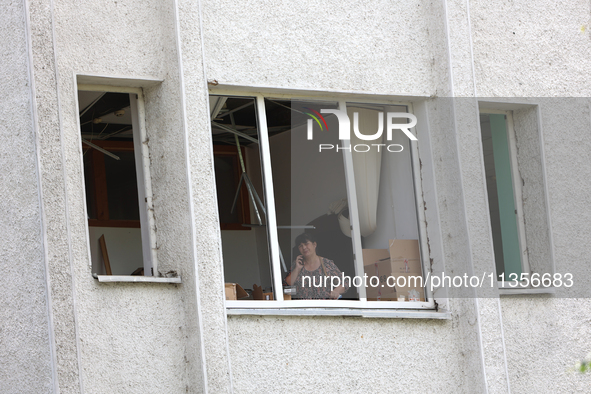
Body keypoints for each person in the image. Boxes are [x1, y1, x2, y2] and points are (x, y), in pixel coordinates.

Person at [284, 232, 348, 299]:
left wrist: (336, 291)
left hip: (323, 307)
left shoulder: (326, 263)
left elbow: (345, 282)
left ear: (314, 244)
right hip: (302, 308)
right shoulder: (297, 263)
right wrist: (297, 269)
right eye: (300, 246)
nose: (304, 247)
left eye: (306, 244)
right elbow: (288, 284)